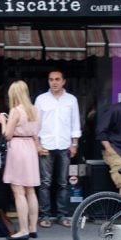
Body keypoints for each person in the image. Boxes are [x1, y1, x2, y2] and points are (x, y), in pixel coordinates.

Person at [35, 69, 81, 229]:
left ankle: (63, 215)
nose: (54, 82)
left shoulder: (71, 100)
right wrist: (37, 144)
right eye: (51, 79)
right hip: (46, 145)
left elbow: (75, 123)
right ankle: (44, 215)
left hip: (64, 145)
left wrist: (74, 143)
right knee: (45, 183)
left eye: (57, 79)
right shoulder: (41, 100)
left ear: (63, 81)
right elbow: (36, 123)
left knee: (63, 183)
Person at [0, 80, 41, 240]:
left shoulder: (16, 111)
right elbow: (36, 133)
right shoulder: (35, 110)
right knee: (30, 190)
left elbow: (7, 135)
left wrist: (3, 121)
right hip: (30, 147)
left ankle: (23, 230)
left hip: (17, 147)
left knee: (18, 190)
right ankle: (32, 227)